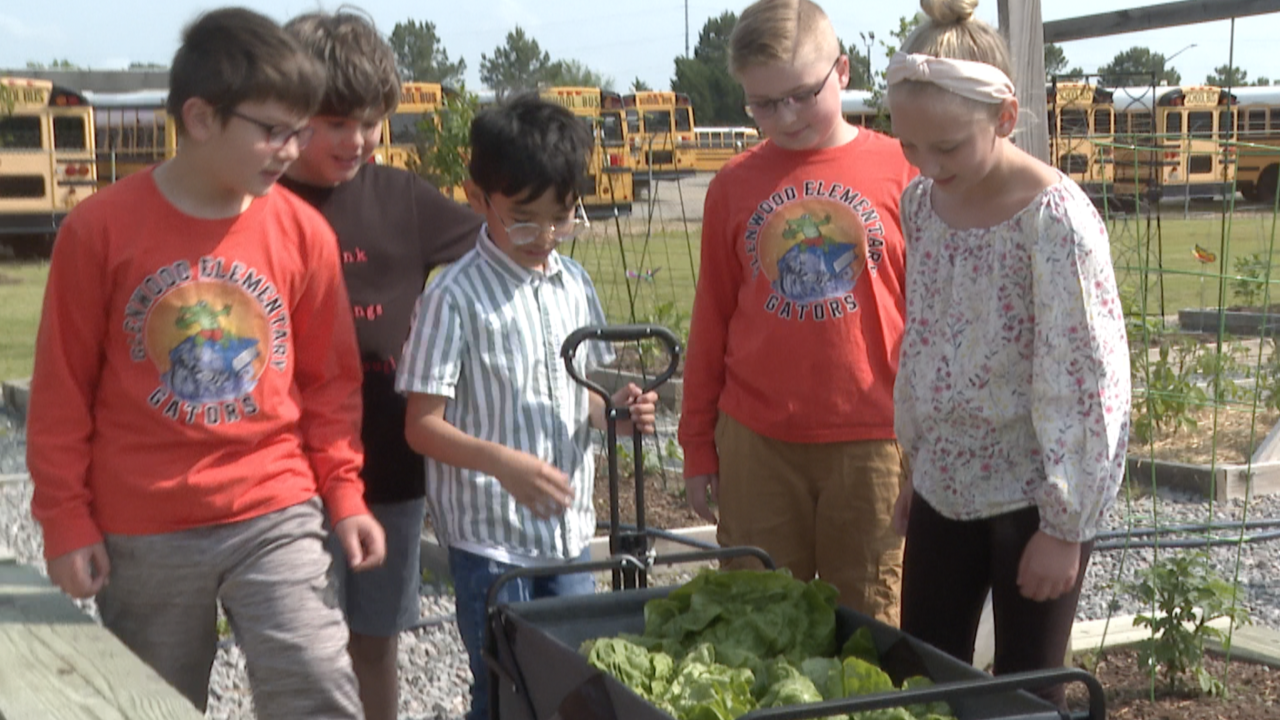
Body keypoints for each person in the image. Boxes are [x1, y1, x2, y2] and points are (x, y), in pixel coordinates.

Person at [26, 8, 385, 718]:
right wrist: (66, 521)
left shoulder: (303, 233)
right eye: (273, 129)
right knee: (155, 703)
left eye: (299, 129)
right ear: (199, 117)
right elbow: (63, 390)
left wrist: (343, 493)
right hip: (144, 525)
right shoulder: (97, 231)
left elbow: (330, 384)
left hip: (274, 507)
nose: (290, 149)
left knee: (315, 679)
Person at [886, 0, 1131, 706]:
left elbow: (1088, 379)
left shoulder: (1054, 221)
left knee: (1026, 691)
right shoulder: (921, 206)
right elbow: (928, 338)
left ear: (1004, 116)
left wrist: (1065, 526)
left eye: (948, 147)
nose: (928, 166)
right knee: (924, 676)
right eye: (910, 147)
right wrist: (916, 462)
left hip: (1032, 497)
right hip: (943, 485)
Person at [396, 93, 659, 720]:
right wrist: (504, 464)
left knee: (573, 684)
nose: (543, 236)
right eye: (523, 218)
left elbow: (585, 400)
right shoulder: (453, 298)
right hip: (492, 546)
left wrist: (616, 413)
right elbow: (422, 427)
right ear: (476, 196)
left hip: (568, 536)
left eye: (562, 218)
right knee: (502, 686)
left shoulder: (574, 284)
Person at [678, 0, 914, 625]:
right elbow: (712, 322)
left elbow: (931, 318)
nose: (784, 117)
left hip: (873, 441)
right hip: (756, 442)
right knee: (756, 621)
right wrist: (698, 447)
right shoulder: (733, 184)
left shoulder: (902, 169)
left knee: (868, 623)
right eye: (762, 103)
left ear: (842, 71)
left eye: (800, 95)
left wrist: (928, 449)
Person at [280, 10, 482, 720]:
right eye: (335, 121)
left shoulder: (402, 198)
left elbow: (504, 262)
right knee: (297, 646)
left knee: (374, 641)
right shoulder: (256, 204)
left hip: (390, 470)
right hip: (281, 475)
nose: (358, 139)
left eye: (371, 121)